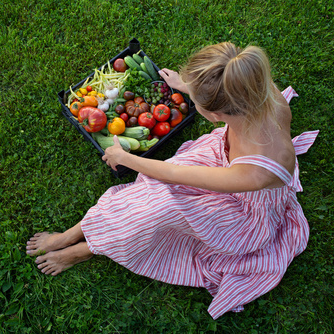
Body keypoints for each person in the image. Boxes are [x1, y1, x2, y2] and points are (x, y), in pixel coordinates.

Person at [26, 42, 319, 319]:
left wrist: (124, 157)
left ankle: (86, 248)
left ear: (215, 115)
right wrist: (188, 85)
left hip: (245, 208)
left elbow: (176, 175)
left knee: (158, 208)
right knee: (151, 196)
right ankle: (78, 232)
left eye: (198, 102)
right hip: (226, 162)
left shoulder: (259, 171)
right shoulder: (258, 88)